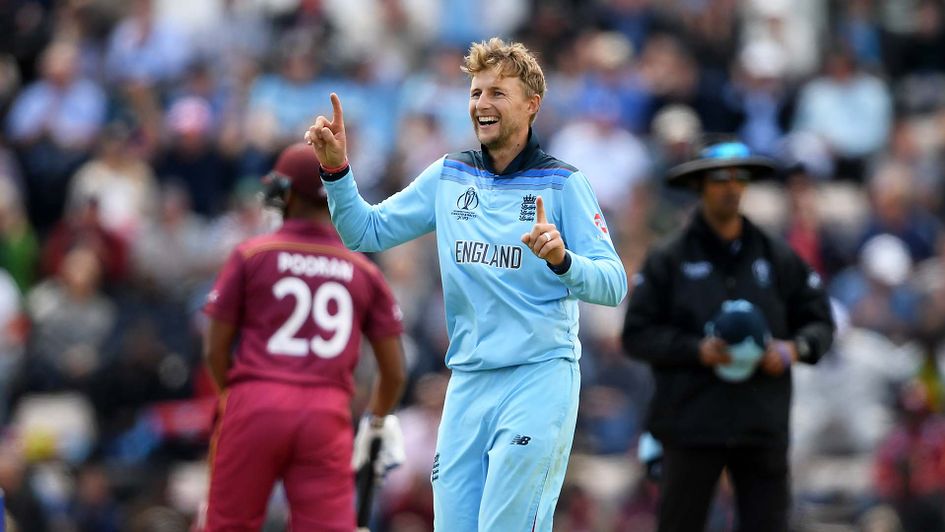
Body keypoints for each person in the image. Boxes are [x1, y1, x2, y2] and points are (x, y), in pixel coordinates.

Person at [306, 37, 627, 531]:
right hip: (468, 384)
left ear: (531, 104)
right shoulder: (450, 175)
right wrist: (336, 170)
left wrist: (564, 261)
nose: (482, 103)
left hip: (537, 380)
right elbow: (364, 231)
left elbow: (613, 284)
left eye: (498, 92)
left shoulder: (564, 184)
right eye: (476, 93)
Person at [621, 139, 835, 532]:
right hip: (691, 422)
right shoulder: (669, 259)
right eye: (720, 179)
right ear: (700, 185)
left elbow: (821, 323)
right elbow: (636, 335)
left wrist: (792, 350)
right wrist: (695, 351)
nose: (731, 187)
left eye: (740, 178)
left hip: (761, 423)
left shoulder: (777, 256)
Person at [201, 143, 407, 531]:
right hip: (325, 412)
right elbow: (394, 371)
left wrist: (239, 397)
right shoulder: (363, 270)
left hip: (255, 399)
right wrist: (376, 421)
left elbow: (215, 348)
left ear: (285, 192)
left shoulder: (251, 255)